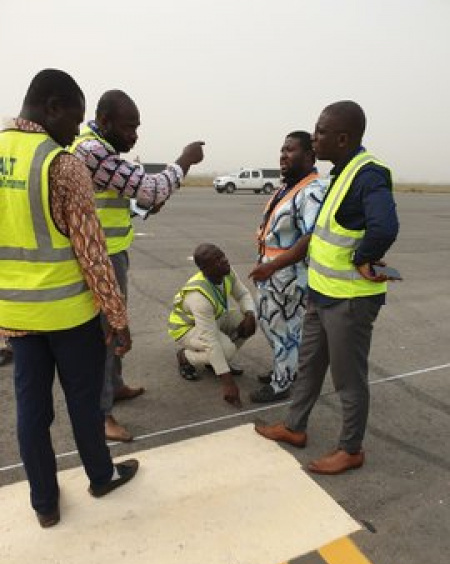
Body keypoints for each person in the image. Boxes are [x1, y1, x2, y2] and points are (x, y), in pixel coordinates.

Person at [0, 69, 140, 527]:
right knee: (83, 404)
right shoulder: (61, 164)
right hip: (70, 314)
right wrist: (117, 319)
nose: (77, 132)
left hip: (17, 316)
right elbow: (93, 253)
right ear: (53, 107)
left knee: (31, 410)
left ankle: (45, 503)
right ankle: (100, 476)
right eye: (75, 121)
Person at [255, 101, 399, 475]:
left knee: (348, 379)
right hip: (321, 295)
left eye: (319, 132)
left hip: (349, 300)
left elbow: (384, 227)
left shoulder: (368, 175)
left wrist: (363, 258)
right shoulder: (341, 173)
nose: (314, 137)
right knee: (309, 366)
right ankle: (294, 427)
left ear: (342, 137)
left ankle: (351, 449)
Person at [70, 90, 204, 442]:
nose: (135, 135)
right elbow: (152, 188)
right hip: (100, 260)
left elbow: (121, 202)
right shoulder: (91, 151)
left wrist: (141, 207)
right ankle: (102, 415)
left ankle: (114, 387)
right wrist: (185, 160)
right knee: (105, 335)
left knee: (113, 329)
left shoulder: (102, 150)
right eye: (129, 127)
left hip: (113, 252)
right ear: (106, 120)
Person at [248, 131, 327, 403]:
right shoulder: (289, 186)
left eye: (290, 150)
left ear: (309, 155)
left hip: (287, 277)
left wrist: (272, 267)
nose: (283, 155)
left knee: (284, 329)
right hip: (271, 272)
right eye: (282, 150)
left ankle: (283, 382)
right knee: (271, 325)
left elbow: (310, 238)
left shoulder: (313, 190)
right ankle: (284, 368)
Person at [168, 244, 257, 408]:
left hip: (213, 320)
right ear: (205, 269)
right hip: (187, 329)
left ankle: (215, 362)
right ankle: (185, 357)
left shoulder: (226, 272)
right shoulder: (198, 296)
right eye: (217, 260)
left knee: (249, 322)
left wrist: (250, 314)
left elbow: (243, 294)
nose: (224, 261)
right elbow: (209, 339)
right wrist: (228, 382)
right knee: (226, 350)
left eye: (222, 256)